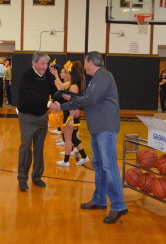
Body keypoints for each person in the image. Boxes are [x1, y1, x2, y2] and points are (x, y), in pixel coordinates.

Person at [58, 51, 128, 224]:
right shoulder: (96, 79)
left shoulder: (103, 75)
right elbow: (88, 99)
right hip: (97, 129)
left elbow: (90, 99)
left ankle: (119, 206)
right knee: (99, 165)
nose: (84, 66)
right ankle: (99, 199)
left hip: (106, 129)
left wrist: (66, 101)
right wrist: (64, 104)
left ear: (90, 62)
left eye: (85, 62)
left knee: (109, 166)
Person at [17, 51, 58, 191]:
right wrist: (49, 104)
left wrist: (62, 101)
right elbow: (30, 94)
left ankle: (37, 177)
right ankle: (22, 178)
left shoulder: (47, 76)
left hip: (42, 117)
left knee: (39, 149)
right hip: (27, 117)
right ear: (34, 63)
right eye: (42, 63)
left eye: (47, 63)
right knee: (26, 148)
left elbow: (54, 92)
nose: (45, 66)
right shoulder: (26, 75)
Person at [51, 61, 89, 167]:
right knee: (73, 138)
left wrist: (71, 118)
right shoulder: (72, 85)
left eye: (67, 73)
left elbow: (74, 103)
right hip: (69, 114)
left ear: (72, 74)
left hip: (70, 116)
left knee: (68, 139)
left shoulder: (73, 87)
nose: (65, 74)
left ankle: (66, 161)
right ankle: (84, 157)